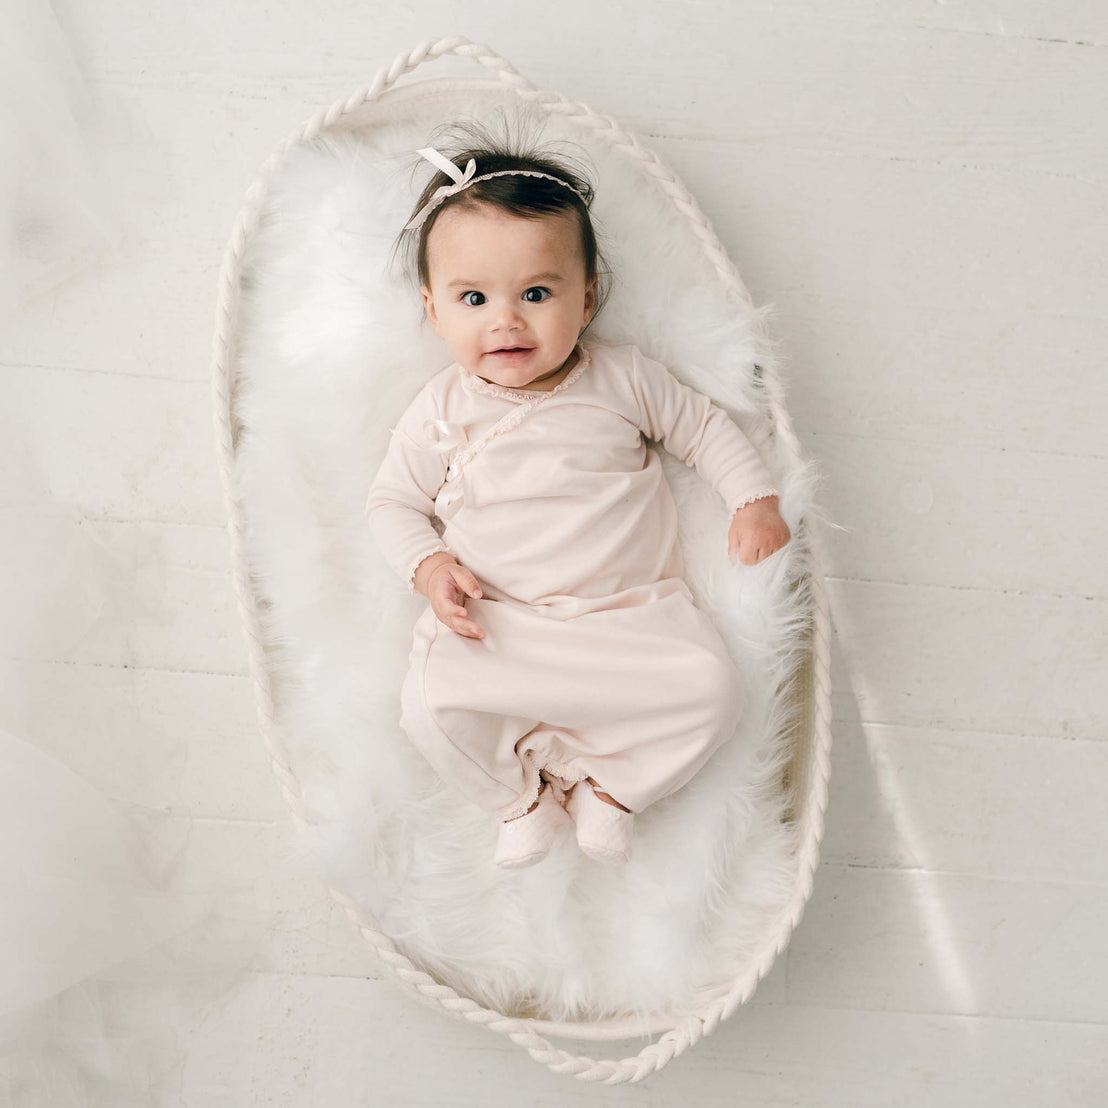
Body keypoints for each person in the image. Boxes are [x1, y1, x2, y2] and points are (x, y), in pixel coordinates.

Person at [365, 123, 791, 870]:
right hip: (505, 622)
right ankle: (518, 799)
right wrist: (430, 568)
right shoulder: (441, 411)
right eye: (474, 298)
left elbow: (701, 428)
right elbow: (392, 505)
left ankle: (615, 790)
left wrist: (751, 497)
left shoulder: (624, 380)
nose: (507, 320)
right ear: (434, 311)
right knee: (428, 709)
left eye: (536, 293)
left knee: (713, 692)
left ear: (587, 298)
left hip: (629, 621)